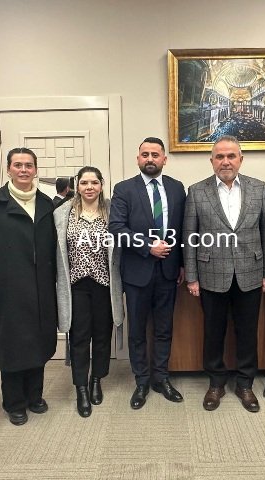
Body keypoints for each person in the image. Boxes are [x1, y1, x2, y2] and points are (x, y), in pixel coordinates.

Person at [183, 135, 265, 413]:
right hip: (211, 273)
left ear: (240, 159)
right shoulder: (196, 191)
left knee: (248, 332)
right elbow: (190, 236)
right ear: (212, 160)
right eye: (220, 156)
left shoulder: (259, 188)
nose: (226, 161)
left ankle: (245, 384)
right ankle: (216, 383)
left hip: (251, 272)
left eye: (231, 156)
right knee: (213, 333)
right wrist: (192, 277)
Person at [0, 147, 57, 426]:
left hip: (41, 288)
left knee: (39, 342)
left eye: (28, 165)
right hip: (6, 290)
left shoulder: (46, 204)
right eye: (18, 165)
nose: (23, 170)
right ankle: (15, 403)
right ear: (8, 169)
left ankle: (35, 396)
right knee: (12, 346)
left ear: (35, 170)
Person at [109, 137, 186, 410]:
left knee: (164, 329)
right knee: (138, 331)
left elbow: (183, 230)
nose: (150, 159)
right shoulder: (124, 189)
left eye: (155, 154)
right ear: (138, 159)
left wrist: (182, 264)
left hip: (168, 271)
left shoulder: (177, 188)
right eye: (145, 154)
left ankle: (161, 378)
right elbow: (117, 228)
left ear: (164, 159)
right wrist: (148, 246)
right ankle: (141, 381)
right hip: (137, 272)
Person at [55, 166, 124, 417]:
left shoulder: (113, 210)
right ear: (77, 186)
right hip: (76, 286)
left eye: (94, 182)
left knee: (102, 336)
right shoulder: (63, 213)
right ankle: (81, 388)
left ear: (101, 185)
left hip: (104, 285)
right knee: (80, 338)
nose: (89, 187)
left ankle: (97, 380)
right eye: (84, 183)